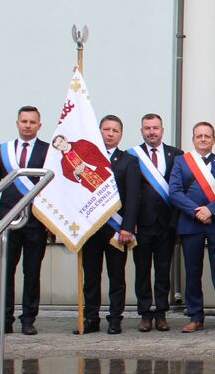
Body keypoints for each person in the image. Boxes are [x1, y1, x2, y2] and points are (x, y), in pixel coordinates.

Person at [169, 122, 215, 334]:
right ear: (193, 139)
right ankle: (195, 316)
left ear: (213, 139)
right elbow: (174, 192)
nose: (203, 139)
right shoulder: (181, 162)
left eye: (207, 136)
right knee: (192, 272)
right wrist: (197, 211)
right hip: (191, 224)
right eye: (199, 136)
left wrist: (211, 210)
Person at [0, 106, 49, 336]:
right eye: (24, 121)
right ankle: (4, 320)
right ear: (17, 123)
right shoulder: (3, 150)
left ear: (39, 126)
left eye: (32, 122)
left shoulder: (47, 150)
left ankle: (28, 320)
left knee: (32, 273)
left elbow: (53, 189)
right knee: (4, 272)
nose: (28, 125)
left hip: (35, 223)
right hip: (6, 222)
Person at [75, 115, 140, 335]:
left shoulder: (128, 161)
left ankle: (115, 319)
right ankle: (91, 318)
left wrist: (128, 227)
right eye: (106, 129)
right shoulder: (87, 159)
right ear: (99, 131)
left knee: (116, 277)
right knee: (91, 276)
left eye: (115, 130)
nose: (110, 134)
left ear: (121, 134)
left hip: (116, 229)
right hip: (91, 228)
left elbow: (133, 197)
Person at [130, 113, 182, 332]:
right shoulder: (132, 156)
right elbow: (128, 193)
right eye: (147, 128)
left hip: (167, 224)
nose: (151, 132)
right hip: (141, 225)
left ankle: (161, 313)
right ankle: (145, 314)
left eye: (155, 128)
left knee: (163, 271)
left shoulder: (176, 155)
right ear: (142, 131)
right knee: (141, 271)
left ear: (162, 130)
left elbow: (181, 189)